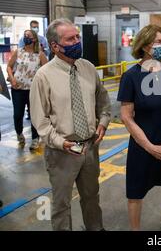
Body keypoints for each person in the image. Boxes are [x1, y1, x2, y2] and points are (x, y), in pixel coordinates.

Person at [30, 18, 111, 231]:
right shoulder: (43, 76)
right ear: (55, 46)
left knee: (91, 196)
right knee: (61, 203)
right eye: (71, 38)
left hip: (90, 147)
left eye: (78, 37)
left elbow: (102, 100)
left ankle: (96, 228)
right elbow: (40, 121)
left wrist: (103, 122)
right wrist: (61, 143)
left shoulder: (88, 68)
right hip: (62, 152)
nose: (77, 41)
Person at [118, 25, 161, 231]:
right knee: (135, 192)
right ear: (146, 46)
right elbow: (126, 117)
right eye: (159, 43)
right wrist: (148, 146)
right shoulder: (131, 77)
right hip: (143, 144)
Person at [7, 29, 48, 150]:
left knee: (34, 115)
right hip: (17, 89)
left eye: (28, 36)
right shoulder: (18, 52)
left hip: (33, 90)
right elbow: (9, 66)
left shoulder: (40, 54)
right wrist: (12, 78)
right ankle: (19, 134)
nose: (26, 38)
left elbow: (47, 71)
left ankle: (35, 139)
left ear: (34, 39)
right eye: (25, 36)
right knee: (17, 115)